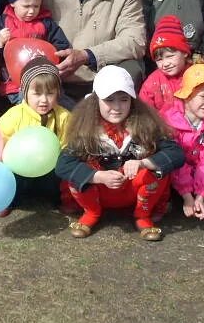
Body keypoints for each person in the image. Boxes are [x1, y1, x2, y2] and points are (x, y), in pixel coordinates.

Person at [55, 65, 185, 241]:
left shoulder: (145, 126)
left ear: (132, 100)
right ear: (96, 101)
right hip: (100, 192)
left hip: (134, 191)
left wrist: (143, 163)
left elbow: (176, 153)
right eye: (109, 99)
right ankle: (92, 213)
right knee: (75, 174)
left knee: (157, 170)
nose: (117, 107)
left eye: (124, 99)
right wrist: (97, 176)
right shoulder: (87, 131)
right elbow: (63, 165)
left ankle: (142, 216)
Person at [0, 58, 71, 209]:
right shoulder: (15, 115)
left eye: (50, 93)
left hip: (50, 170)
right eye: (37, 94)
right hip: (20, 169)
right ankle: (8, 200)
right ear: (25, 93)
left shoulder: (64, 116)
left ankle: (61, 198)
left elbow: (68, 144)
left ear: (58, 94)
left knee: (62, 176)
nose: (44, 100)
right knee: (12, 180)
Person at [162, 64, 204, 223]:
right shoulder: (169, 122)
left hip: (197, 171)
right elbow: (175, 159)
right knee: (163, 167)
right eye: (202, 96)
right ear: (187, 95)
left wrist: (201, 195)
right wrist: (186, 194)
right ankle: (166, 202)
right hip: (175, 173)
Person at [138, 15, 193, 113]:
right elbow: (145, 113)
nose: (165, 63)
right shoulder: (152, 83)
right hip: (162, 126)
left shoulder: (197, 76)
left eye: (170, 56)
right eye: (159, 60)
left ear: (184, 52)